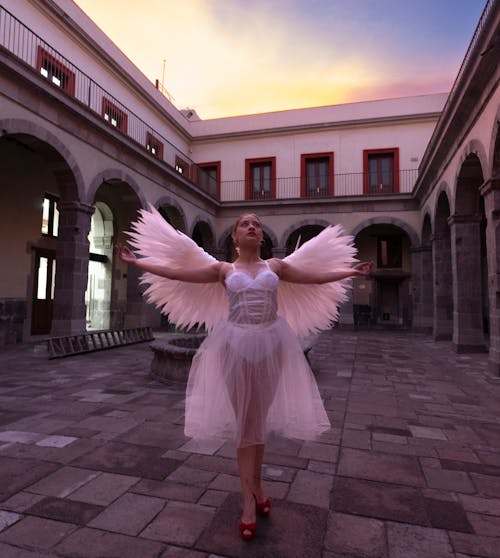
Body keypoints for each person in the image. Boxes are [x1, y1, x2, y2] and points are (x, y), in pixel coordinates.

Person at [117, 211, 372, 541]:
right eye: (244, 224)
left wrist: (352, 270)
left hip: (272, 344)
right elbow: (178, 272)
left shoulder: (275, 267)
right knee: (244, 425)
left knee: (259, 423)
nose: (252, 226)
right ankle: (247, 501)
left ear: (261, 236)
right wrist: (138, 264)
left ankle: (258, 486)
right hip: (233, 346)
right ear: (235, 238)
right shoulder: (222, 270)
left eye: (256, 224)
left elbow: (315, 276)